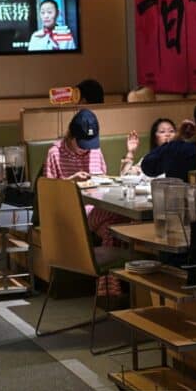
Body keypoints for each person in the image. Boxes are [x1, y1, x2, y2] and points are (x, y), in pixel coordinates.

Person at [43, 108, 127, 295]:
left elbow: (103, 178)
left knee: (112, 227)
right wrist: (71, 180)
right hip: (72, 212)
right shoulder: (54, 153)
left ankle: (108, 290)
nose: (87, 148)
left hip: (96, 209)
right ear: (71, 137)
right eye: (82, 144)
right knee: (118, 218)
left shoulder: (95, 150)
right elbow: (48, 194)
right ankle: (113, 288)